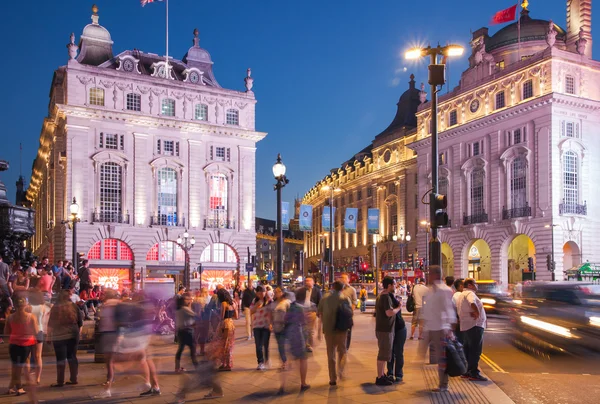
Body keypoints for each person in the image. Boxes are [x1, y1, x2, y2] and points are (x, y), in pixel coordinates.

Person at [419, 265, 456, 393]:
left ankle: (443, 385)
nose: (427, 276)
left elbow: (449, 309)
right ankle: (418, 366)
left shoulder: (444, 290)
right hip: (430, 327)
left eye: (429, 273)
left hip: (441, 328)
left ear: (436, 274)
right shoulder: (429, 290)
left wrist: (450, 328)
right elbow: (427, 308)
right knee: (421, 353)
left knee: (442, 358)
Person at [4, 296, 39, 398]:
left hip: (13, 344)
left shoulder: (10, 317)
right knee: (19, 367)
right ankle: (19, 388)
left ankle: (11, 386)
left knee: (15, 366)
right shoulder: (31, 317)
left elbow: (6, 332)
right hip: (26, 344)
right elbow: (36, 331)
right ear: (25, 305)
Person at [317, 280, 350, 386]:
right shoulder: (345, 298)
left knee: (330, 354)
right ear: (342, 288)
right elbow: (350, 313)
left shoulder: (325, 298)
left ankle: (332, 378)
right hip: (342, 329)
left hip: (328, 330)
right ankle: (341, 371)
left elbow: (319, 313)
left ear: (332, 287)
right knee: (343, 351)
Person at [48, 290, 83, 387]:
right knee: (72, 356)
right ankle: (73, 379)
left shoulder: (55, 308)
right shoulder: (74, 306)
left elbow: (50, 324)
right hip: (73, 333)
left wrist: (48, 336)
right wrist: (78, 334)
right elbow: (80, 322)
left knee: (60, 359)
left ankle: (60, 381)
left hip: (59, 335)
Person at [279, 287, 310, 395]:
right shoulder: (300, 308)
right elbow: (304, 323)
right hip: (297, 333)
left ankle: (283, 384)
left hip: (288, 334)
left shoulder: (290, 306)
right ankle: (303, 383)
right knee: (303, 358)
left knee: (288, 360)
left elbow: (285, 320)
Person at [457, 278, 488, 382]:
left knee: (468, 350)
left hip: (466, 326)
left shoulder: (461, 294)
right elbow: (472, 302)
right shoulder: (470, 293)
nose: (477, 285)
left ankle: (466, 371)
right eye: (475, 283)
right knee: (475, 350)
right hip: (474, 325)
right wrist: (477, 312)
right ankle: (473, 373)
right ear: (470, 285)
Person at [374, 277, 401, 386]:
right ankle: (380, 377)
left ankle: (382, 374)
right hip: (385, 329)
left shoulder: (382, 295)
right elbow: (389, 313)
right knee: (383, 353)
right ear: (389, 285)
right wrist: (399, 307)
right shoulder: (385, 297)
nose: (395, 286)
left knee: (385, 353)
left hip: (384, 329)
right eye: (394, 284)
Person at [97, 289, 119, 388]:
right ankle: (111, 377)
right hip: (115, 333)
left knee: (108, 359)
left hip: (107, 332)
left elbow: (100, 318)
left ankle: (110, 378)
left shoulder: (104, 306)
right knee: (111, 358)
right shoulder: (118, 305)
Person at [29, 290, 49, 385]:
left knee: (28, 357)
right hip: (40, 331)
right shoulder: (42, 307)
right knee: (38, 356)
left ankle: (29, 377)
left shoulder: (28, 307)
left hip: (29, 332)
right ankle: (38, 378)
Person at [214, 288, 237, 371]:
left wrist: (216, 314)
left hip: (225, 324)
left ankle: (226, 364)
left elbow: (221, 316)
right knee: (229, 344)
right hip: (231, 323)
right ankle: (227, 363)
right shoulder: (234, 303)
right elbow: (236, 316)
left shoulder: (223, 303)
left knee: (224, 344)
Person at [251, 285, 272, 370]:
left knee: (265, 345)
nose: (260, 295)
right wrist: (257, 305)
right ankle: (260, 362)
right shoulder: (255, 300)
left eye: (262, 292)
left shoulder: (269, 301)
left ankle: (266, 359)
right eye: (258, 293)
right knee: (258, 345)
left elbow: (272, 312)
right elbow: (251, 311)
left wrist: (271, 323)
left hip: (266, 326)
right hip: (256, 325)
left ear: (265, 292)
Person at [175, 292, 198, 373]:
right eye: (187, 299)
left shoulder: (178, 309)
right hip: (188, 331)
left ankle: (177, 368)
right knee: (193, 349)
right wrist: (190, 305)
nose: (189, 300)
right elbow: (195, 315)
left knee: (180, 350)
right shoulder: (185, 309)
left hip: (180, 331)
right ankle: (197, 367)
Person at [387, 293, 406, 383]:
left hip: (399, 328)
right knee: (391, 352)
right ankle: (390, 373)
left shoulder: (394, 300)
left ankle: (398, 374)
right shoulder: (386, 300)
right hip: (392, 329)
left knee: (398, 352)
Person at [272, 287, 291, 370]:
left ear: (282, 293)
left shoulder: (287, 302)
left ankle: (285, 361)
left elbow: (291, 314)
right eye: (275, 292)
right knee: (280, 346)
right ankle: (285, 361)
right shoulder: (274, 303)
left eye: (278, 292)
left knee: (281, 345)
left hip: (284, 327)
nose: (276, 293)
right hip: (276, 327)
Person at [339, 274, 357, 350]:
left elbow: (354, 302)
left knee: (348, 331)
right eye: (341, 278)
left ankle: (346, 347)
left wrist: (350, 312)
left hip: (347, 314)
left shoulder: (352, 289)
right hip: (338, 314)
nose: (342, 279)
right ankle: (340, 345)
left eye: (344, 278)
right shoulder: (337, 289)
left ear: (348, 280)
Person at [304, 276, 321, 352]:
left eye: (309, 281)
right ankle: (305, 344)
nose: (307, 282)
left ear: (313, 282)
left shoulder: (317, 291)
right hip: (303, 312)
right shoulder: (302, 290)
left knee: (310, 330)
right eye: (306, 281)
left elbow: (320, 302)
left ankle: (310, 345)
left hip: (312, 312)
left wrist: (318, 312)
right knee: (304, 329)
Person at [192, 288, 211, 356]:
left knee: (196, 335)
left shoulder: (195, 300)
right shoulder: (207, 300)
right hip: (205, 319)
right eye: (206, 292)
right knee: (203, 335)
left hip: (196, 319)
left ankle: (194, 351)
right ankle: (202, 350)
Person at [452, 279, 465, 343]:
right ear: (460, 286)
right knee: (460, 340)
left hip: (459, 321)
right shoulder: (458, 295)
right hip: (459, 322)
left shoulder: (459, 294)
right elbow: (460, 308)